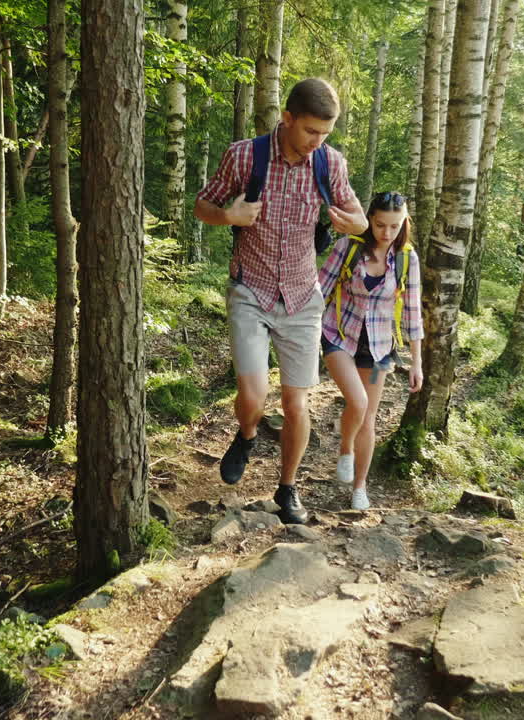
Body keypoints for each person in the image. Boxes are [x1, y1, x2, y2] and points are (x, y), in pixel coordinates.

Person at [195, 78, 368, 525]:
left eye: (325, 134)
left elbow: (360, 220)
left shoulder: (330, 163)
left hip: (302, 297)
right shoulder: (244, 156)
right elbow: (202, 205)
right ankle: (248, 433)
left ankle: (286, 489)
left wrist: (352, 223)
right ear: (287, 118)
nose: (317, 142)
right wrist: (227, 216)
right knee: (253, 396)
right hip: (249, 289)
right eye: (310, 131)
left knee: (297, 405)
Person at [318, 191, 424, 511]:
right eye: (380, 225)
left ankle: (360, 488)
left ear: (403, 224)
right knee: (359, 401)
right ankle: (346, 446)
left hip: (379, 349)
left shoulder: (407, 259)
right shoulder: (348, 247)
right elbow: (320, 289)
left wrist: (416, 363)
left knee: (369, 416)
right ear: (370, 219)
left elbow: (413, 314)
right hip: (338, 336)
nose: (387, 233)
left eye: (394, 226)